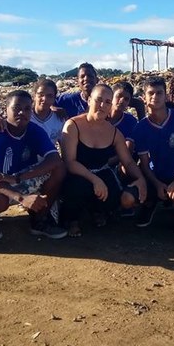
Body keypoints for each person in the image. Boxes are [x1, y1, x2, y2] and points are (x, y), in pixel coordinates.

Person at [0, 90, 67, 242]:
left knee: (60, 168)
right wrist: (22, 198)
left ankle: (39, 219)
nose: (22, 112)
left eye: (27, 109)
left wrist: (17, 178)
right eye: (16, 108)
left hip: (19, 177)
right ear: (6, 110)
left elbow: (54, 159)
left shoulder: (35, 130)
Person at [59, 84, 147, 237]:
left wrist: (140, 179)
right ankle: (72, 220)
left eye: (107, 102)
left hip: (102, 172)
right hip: (78, 173)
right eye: (98, 100)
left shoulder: (114, 133)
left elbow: (128, 161)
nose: (102, 105)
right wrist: (94, 179)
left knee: (113, 194)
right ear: (89, 100)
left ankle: (98, 211)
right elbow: (70, 162)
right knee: (77, 186)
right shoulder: (73, 125)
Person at [132, 77, 174, 235]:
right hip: (155, 175)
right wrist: (156, 183)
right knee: (128, 199)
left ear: (166, 96)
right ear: (144, 98)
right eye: (150, 93)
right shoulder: (141, 127)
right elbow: (144, 163)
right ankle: (150, 204)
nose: (155, 97)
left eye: (159, 93)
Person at [30, 78, 67, 151]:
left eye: (49, 96)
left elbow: (64, 146)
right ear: (34, 96)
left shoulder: (59, 119)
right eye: (41, 94)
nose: (44, 99)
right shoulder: (26, 117)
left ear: (54, 98)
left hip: (49, 159)